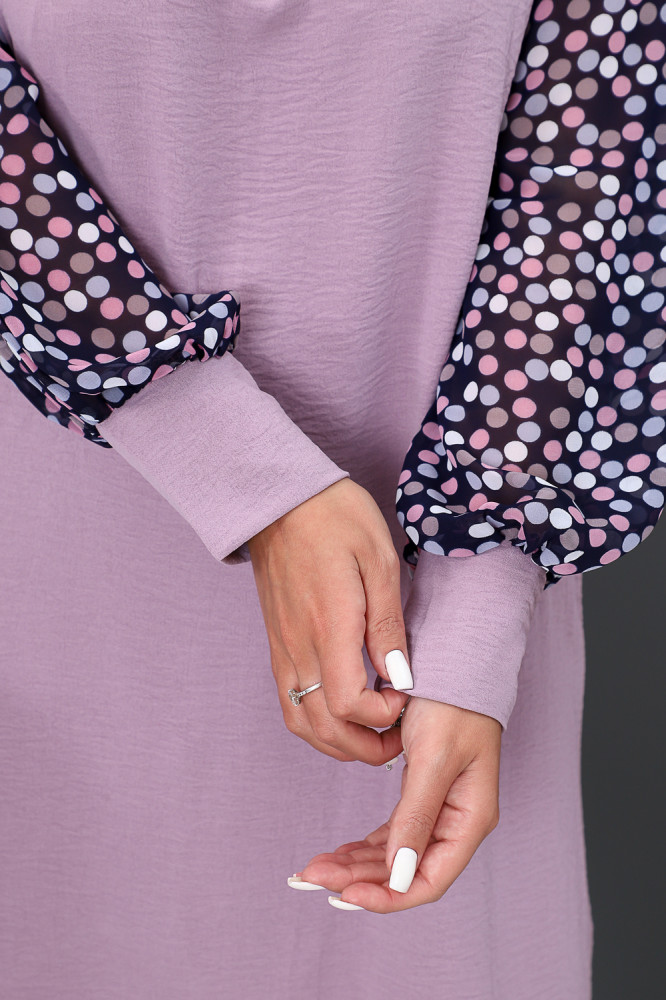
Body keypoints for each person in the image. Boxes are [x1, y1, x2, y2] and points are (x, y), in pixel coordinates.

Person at [0, 1, 662, 997]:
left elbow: (590, 173)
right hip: (58, 585)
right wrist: (249, 477)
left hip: (439, 651)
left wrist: (476, 615)